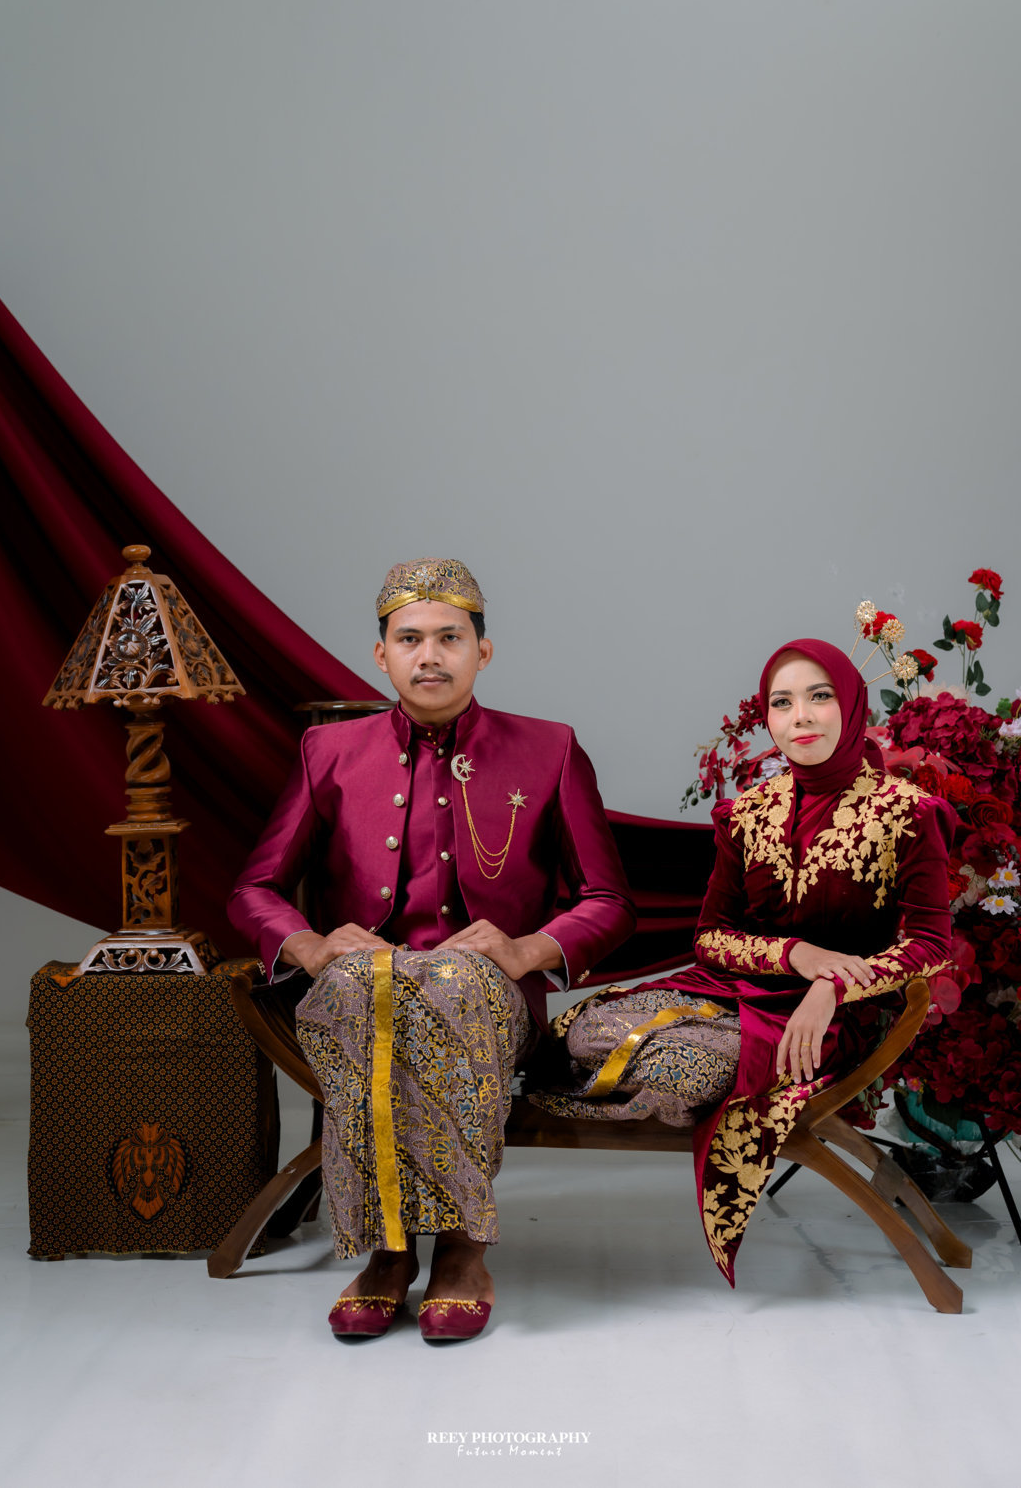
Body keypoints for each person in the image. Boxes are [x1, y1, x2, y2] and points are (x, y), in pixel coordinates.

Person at [229, 557, 634, 1339]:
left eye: (450, 638)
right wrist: (308, 946)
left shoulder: (548, 749)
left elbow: (610, 903)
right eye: (409, 639)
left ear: (484, 651)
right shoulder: (329, 752)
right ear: (381, 655)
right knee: (357, 989)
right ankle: (386, 1252)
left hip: (489, 997)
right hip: (365, 988)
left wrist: (525, 951)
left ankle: (460, 1248)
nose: (430, 656)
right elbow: (254, 888)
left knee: (452, 987)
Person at [531, 637, 955, 1285]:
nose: (800, 717)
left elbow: (930, 943)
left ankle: (660, 1075)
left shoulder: (908, 813)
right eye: (782, 703)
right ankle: (649, 1068)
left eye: (820, 697)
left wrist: (834, 985)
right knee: (583, 1031)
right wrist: (796, 954)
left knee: (676, 1070)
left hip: (826, 1019)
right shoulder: (749, 813)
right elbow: (711, 937)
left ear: (852, 706)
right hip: (728, 989)